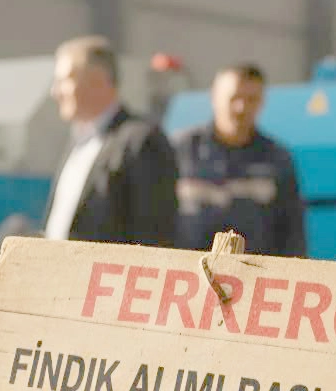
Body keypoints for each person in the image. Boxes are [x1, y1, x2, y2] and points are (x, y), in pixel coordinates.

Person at [42, 35, 178, 247]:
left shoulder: (141, 141)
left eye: (65, 80)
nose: (55, 92)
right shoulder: (78, 142)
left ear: (98, 80)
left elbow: (153, 237)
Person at [172, 63, 306, 257]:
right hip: (185, 272)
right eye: (234, 98)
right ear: (214, 98)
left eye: (251, 99)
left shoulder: (277, 159)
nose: (241, 108)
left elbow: (293, 234)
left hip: (255, 272)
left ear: (262, 102)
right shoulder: (179, 150)